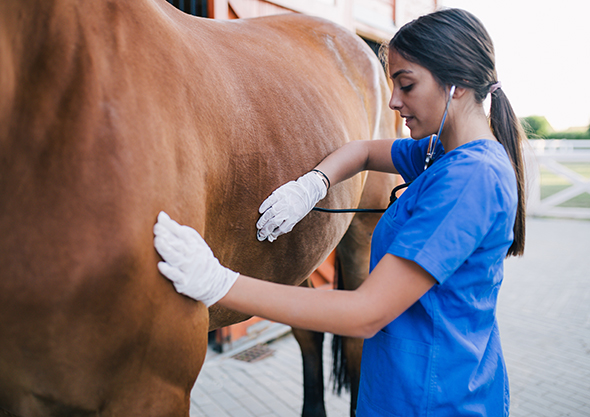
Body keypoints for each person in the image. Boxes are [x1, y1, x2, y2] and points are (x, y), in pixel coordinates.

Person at [153, 8, 527, 416]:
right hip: (403, 386)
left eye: (406, 85)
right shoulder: (442, 152)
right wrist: (312, 184)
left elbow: (364, 313)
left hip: (434, 399)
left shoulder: (471, 178)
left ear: (455, 84)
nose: (393, 101)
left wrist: (218, 283)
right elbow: (363, 150)